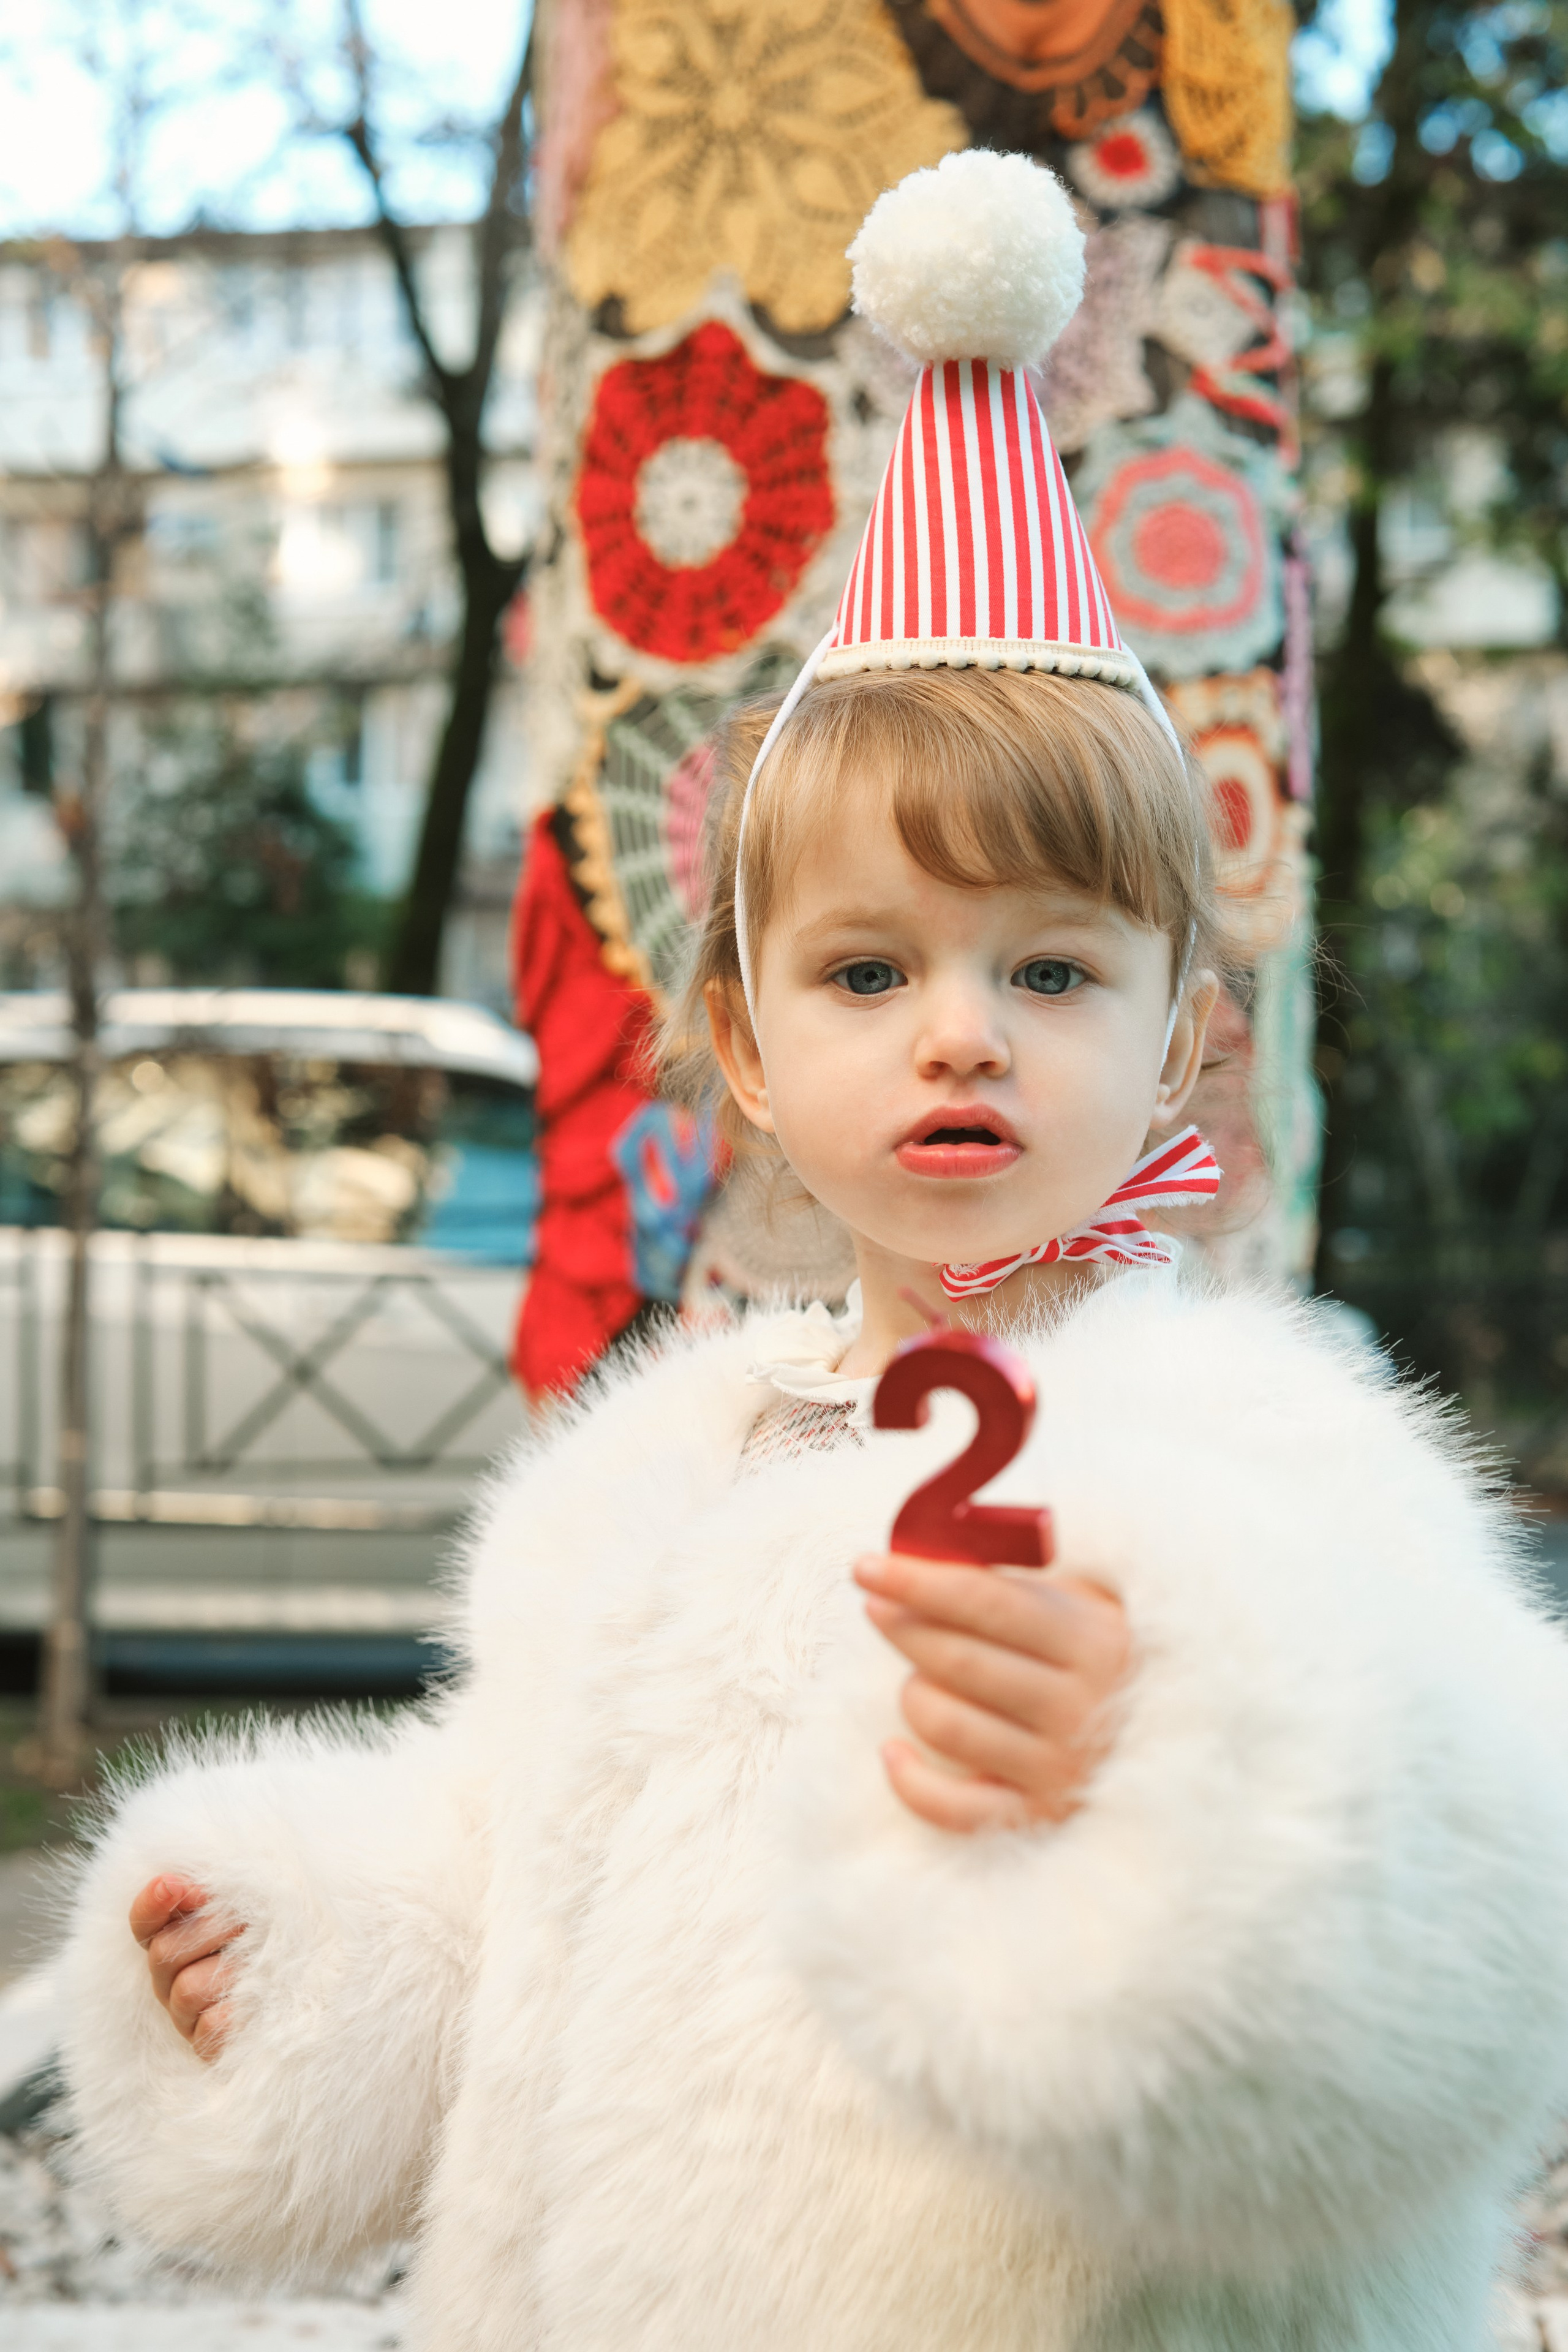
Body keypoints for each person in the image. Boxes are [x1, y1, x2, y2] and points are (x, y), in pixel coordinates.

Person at [57, 152, 1568, 2350]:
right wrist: (301, 1963)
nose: (960, 1028)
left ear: (1185, 1045)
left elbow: (1471, 1939)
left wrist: (1181, 1797)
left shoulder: (1279, 1470)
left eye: (1051, 973)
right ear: (748, 1048)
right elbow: (511, 1903)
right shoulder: (642, 1486)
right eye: (871, 974)